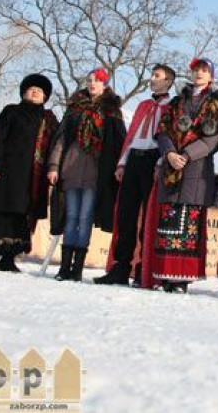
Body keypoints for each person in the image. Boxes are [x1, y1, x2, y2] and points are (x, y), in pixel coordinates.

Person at [139, 58, 218, 293]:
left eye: (204, 70)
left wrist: (187, 155)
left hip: (196, 168)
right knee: (169, 219)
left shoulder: (217, 104)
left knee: (188, 221)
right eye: (196, 70)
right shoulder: (178, 101)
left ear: (211, 76)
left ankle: (182, 277)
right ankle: (165, 273)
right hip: (171, 166)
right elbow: (162, 130)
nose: (199, 74)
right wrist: (169, 152)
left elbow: (213, 139)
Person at [95, 64, 176, 286]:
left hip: (154, 159)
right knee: (126, 214)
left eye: (157, 76)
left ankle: (145, 267)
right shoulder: (143, 105)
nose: (152, 79)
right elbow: (131, 135)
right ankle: (121, 266)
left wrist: (161, 161)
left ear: (169, 81)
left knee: (149, 215)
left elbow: (170, 136)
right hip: (134, 159)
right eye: (152, 75)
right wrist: (122, 162)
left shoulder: (172, 106)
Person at [0, 74, 59, 272]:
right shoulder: (11, 111)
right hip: (4, 172)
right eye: (31, 88)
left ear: (45, 97)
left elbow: (54, 145)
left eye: (40, 90)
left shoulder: (48, 119)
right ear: (24, 92)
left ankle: (9, 258)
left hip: (30, 176)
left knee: (20, 216)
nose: (35, 91)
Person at [48, 68, 126, 282]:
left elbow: (119, 141)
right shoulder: (75, 108)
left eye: (98, 81)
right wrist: (54, 166)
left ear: (105, 84)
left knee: (85, 217)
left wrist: (119, 166)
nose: (92, 84)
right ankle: (64, 267)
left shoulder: (111, 110)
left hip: (96, 171)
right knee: (71, 216)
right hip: (71, 167)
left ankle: (77, 268)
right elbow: (62, 139)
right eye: (90, 80)